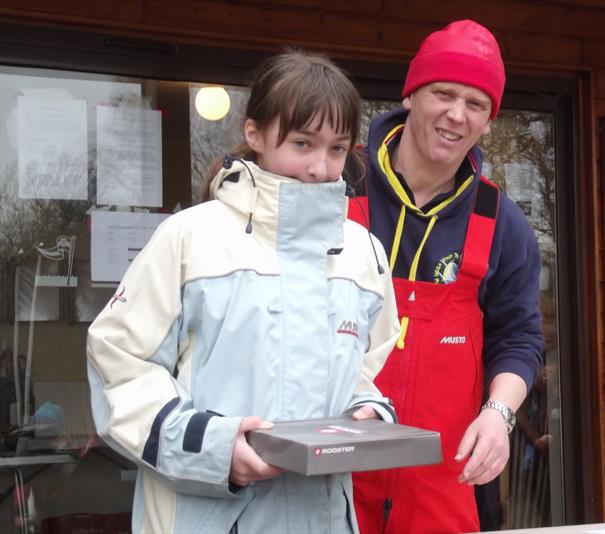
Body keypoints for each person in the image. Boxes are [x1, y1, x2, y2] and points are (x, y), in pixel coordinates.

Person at [87, 50, 400, 534]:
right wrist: (214, 447)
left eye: (338, 149)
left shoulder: (364, 252)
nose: (320, 166)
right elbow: (119, 365)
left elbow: (364, 367)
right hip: (205, 515)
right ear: (254, 133)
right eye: (302, 142)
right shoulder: (188, 238)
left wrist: (367, 413)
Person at [349, 19, 544, 533]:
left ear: (487, 121)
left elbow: (520, 337)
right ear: (411, 95)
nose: (456, 114)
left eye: (476, 104)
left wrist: (500, 416)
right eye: (443, 93)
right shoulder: (340, 187)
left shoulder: (503, 222)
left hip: (445, 488)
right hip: (331, 477)